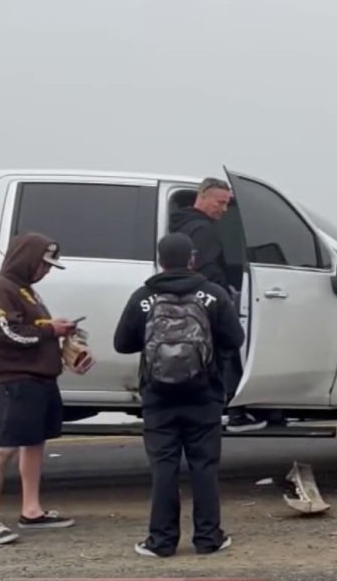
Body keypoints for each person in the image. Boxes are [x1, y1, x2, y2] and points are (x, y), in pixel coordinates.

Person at [113, 233, 244, 558]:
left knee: (164, 467)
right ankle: (208, 539)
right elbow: (235, 338)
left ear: (160, 261)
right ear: (192, 259)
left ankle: (161, 542)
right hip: (205, 394)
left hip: (159, 397)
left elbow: (123, 343)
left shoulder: (144, 296)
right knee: (204, 466)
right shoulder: (213, 295)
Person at [0, 232, 87, 545]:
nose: (46, 270)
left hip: (40, 380)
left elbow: (30, 329)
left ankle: (32, 510)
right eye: (43, 264)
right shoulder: (1, 289)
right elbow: (5, 334)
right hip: (17, 380)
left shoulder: (25, 292)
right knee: (4, 446)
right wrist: (50, 330)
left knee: (34, 441)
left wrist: (57, 333)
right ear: (27, 259)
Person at [168, 177, 275, 432]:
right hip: (207, 302)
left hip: (188, 305)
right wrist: (223, 296)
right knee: (227, 348)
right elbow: (206, 270)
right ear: (202, 196)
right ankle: (233, 410)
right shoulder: (203, 230)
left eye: (227, 204)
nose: (224, 210)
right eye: (220, 203)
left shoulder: (180, 224)